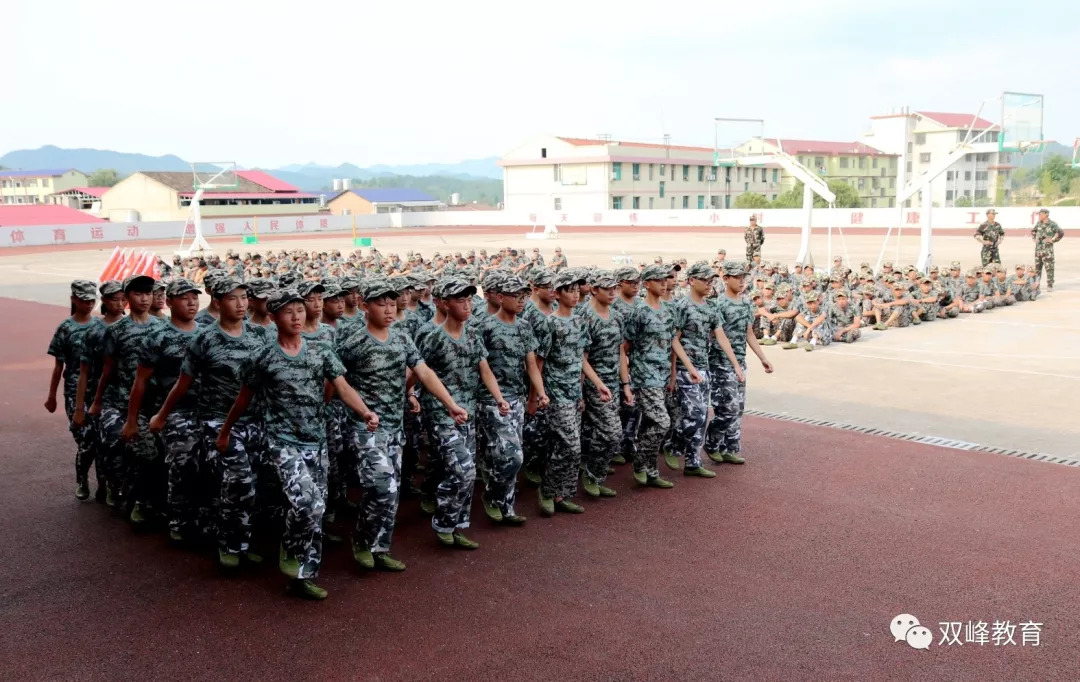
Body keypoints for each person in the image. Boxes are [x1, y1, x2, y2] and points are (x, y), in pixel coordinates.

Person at [218, 288, 378, 600]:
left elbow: (342, 387)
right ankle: (290, 550)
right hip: (282, 443)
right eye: (288, 312)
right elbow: (243, 400)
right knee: (309, 504)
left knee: (314, 512)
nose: (296, 317)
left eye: (300, 311)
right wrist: (225, 431)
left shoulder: (320, 351)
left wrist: (364, 411)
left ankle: (303, 576)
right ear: (274, 317)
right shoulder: (263, 358)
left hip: (315, 442)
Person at [337, 277, 468, 571]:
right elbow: (336, 383)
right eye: (380, 303)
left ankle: (379, 547)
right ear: (364, 306)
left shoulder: (401, 338)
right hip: (365, 428)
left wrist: (450, 404)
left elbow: (423, 371)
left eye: (391, 302)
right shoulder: (352, 343)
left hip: (395, 426)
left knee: (391, 489)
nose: (388, 309)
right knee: (382, 486)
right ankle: (362, 541)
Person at [151, 276, 266, 570]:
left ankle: (240, 541)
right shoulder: (204, 339)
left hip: (254, 420)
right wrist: (162, 415)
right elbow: (183, 383)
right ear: (218, 302)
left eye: (244, 297)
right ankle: (228, 545)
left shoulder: (259, 335)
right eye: (232, 298)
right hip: (217, 421)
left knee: (251, 483)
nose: (241, 304)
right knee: (238, 481)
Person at [416, 276, 507, 549]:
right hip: (442, 412)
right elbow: (419, 370)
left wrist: (499, 398)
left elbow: (484, 369)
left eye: (469, 299)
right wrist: (409, 395)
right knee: (463, 470)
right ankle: (443, 521)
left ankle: (457, 525)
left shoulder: (474, 333)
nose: (467, 305)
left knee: (464, 469)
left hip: (467, 411)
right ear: (444, 303)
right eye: (460, 300)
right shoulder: (432, 336)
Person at [126, 278, 202, 542]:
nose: (191, 302)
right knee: (182, 465)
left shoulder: (206, 334)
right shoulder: (156, 337)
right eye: (184, 297)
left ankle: (200, 515)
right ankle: (178, 520)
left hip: (207, 410)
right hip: (173, 413)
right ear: (169, 302)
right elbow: (140, 382)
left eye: (195, 297)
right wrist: (132, 420)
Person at [87, 274, 163, 522]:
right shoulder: (117, 330)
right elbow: (107, 369)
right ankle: (128, 496)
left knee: (154, 455)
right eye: (139, 294)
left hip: (156, 403)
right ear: (128, 297)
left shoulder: (163, 327)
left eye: (148, 294)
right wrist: (98, 402)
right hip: (123, 402)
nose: (145, 298)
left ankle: (147, 500)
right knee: (126, 449)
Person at [476, 274, 547, 524]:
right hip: (491, 400)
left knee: (509, 455)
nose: (521, 301)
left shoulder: (524, 327)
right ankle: (491, 496)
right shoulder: (484, 327)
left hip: (516, 397)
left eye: (524, 296)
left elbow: (531, 364)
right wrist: (495, 398)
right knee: (512, 455)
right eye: (516, 296)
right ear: (500, 297)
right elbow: (481, 368)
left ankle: (506, 507)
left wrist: (540, 392)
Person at [667, 262, 741, 476]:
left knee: (702, 418)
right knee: (696, 414)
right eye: (705, 280)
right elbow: (675, 341)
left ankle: (693, 462)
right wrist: (680, 371)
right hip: (685, 369)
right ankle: (673, 445)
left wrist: (735, 364)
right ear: (692, 281)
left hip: (704, 368)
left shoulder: (711, 307)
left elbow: (721, 336)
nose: (710, 284)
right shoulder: (681, 306)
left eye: (712, 281)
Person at [704, 261, 772, 464]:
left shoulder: (746, 303)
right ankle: (712, 442)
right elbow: (716, 335)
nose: (742, 281)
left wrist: (763, 358)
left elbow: (749, 333)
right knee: (728, 408)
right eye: (737, 277)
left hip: (739, 361)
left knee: (738, 408)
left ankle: (729, 448)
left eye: (744, 277)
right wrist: (732, 363)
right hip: (721, 363)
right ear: (725, 279)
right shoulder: (718, 304)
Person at [535, 270, 589, 514]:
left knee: (567, 447)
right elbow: (539, 362)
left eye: (578, 290)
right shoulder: (550, 323)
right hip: (556, 393)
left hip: (574, 392)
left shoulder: (579, 321)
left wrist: (589, 387)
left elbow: (580, 358)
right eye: (570, 290)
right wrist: (538, 394)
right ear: (557, 294)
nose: (575, 294)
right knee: (570, 446)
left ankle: (561, 494)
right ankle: (546, 490)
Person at [622, 264, 677, 488]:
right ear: (647, 284)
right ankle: (639, 460)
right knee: (663, 422)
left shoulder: (668, 310)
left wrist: (673, 375)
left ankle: (651, 470)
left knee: (649, 425)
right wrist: (627, 381)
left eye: (666, 279)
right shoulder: (639, 313)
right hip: (644, 377)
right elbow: (624, 347)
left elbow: (672, 345)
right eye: (659, 280)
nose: (664, 283)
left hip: (662, 375)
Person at [73, 280, 126, 504]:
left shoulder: (129, 326)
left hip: (121, 396)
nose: (120, 303)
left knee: (111, 445)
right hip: (95, 397)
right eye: (115, 299)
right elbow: (83, 372)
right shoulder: (94, 331)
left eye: (124, 298)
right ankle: (83, 479)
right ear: (104, 300)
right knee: (89, 445)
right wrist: (78, 408)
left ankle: (109, 486)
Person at [45, 280, 99, 501]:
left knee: (100, 440)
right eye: (84, 300)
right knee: (85, 440)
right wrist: (51, 397)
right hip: (73, 390)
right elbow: (59, 366)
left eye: (91, 300)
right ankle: (82, 479)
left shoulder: (99, 326)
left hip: (97, 390)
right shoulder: (65, 328)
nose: (88, 304)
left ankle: (106, 485)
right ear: (74, 300)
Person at [579, 270, 627, 498]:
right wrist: (582, 391)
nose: (612, 292)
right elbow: (581, 357)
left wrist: (625, 384)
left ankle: (593, 474)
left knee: (599, 432)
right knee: (611, 432)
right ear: (593, 289)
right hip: (593, 384)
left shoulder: (617, 316)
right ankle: (590, 474)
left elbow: (620, 353)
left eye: (614, 287)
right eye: (606, 288)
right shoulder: (584, 316)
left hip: (613, 384)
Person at [1031, 208, 1064, 290]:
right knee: (1037, 269)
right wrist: (1034, 238)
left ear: (1046, 214)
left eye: (1041, 214)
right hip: (1038, 250)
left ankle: (1050, 284)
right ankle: (1037, 284)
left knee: (1049, 268)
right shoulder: (1039, 223)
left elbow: (1061, 233)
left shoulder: (1052, 224)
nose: (1039, 215)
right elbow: (1033, 231)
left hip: (1047, 251)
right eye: (1039, 214)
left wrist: (1053, 240)